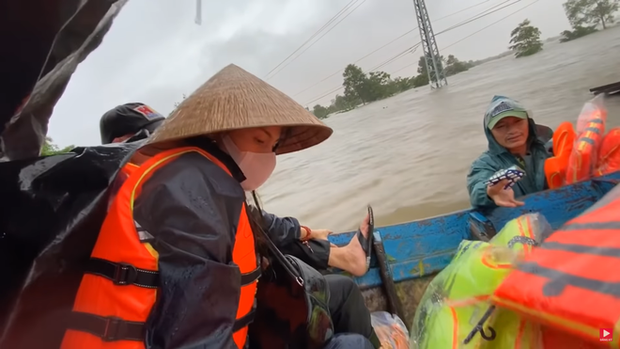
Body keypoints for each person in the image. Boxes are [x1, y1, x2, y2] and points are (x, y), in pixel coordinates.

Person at [62, 64, 377, 349]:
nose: (269, 157)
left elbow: (259, 225)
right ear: (216, 135)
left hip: (221, 325)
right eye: (258, 141)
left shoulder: (196, 179)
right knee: (352, 345)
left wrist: (305, 231)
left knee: (336, 296)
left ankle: (346, 259)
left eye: (273, 146)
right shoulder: (187, 186)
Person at [100, 103, 373, 277]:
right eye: (156, 144)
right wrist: (303, 231)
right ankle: (345, 259)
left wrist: (305, 231)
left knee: (265, 235)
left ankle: (345, 258)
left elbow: (254, 221)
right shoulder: (142, 192)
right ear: (126, 147)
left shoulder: (179, 182)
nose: (169, 150)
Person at [467, 95, 553, 209]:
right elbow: (477, 188)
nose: (512, 131)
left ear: (528, 122)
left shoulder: (552, 149)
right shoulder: (485, 164)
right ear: (490, 133)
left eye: (518, 121)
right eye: (501, 126)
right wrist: (489, 192)